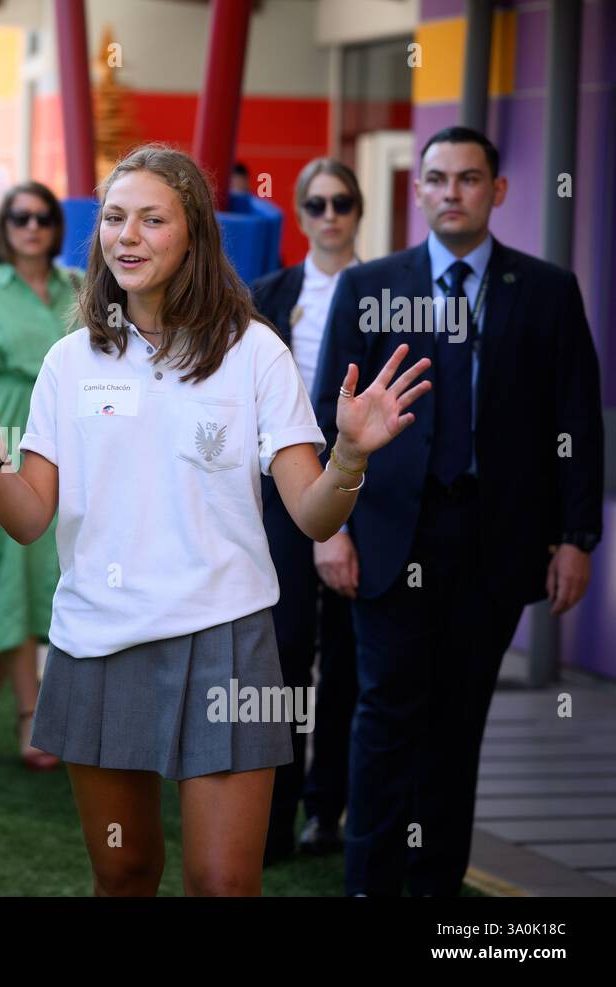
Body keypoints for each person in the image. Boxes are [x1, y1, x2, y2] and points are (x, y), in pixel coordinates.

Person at [0, 143, 432, 896]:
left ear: (193, 232)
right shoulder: (71, 361)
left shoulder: (255, 350)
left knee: (223, 883)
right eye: (115, 218)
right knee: (125, 871)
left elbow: (315, 517)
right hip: (99, 637)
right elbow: (28, 521)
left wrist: (349, 455)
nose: (127, 235)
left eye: (152, 219)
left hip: (224, 637)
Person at [315, 126, 604, 897]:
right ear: (420, 191)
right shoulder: (369, 287)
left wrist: (576, 537)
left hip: (494, 540)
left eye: (469, 179)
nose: (451, 192)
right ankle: (370, 886)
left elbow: (576, 419)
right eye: (437, 178)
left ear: (496, 191)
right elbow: (323, 419)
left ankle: (434, 889)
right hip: (385, 534)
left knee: (457, 724)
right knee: (384, 716)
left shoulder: (546, 290)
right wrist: (331, 527)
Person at [250, 158, 363, 862]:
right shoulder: (269, 292)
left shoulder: (387, 288)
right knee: (285, 653)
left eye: (342, 202)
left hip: (363, 495)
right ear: (298, 211)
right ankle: (275, 815)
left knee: (350, 660)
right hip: (283, 496)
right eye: (316, 203)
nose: (330, 214)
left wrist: (344, 520)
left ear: (359, 209)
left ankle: (330, 810)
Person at [0, 181, 76, 771]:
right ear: (5, 226)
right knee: (11, 573)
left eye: (44, 217)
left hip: (65, 436)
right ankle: (32, 718)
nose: (32, 227)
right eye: (20, 216)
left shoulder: (79, 287)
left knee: (28, 576)